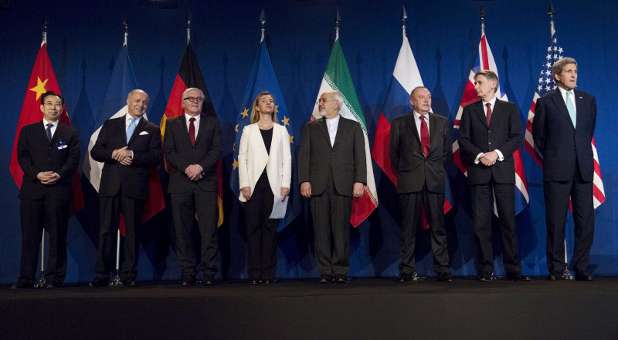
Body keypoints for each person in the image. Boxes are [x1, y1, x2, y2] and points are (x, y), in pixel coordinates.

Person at [458, 70, 529, 282]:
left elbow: (516, 138)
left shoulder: (509, 109)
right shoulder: (469, 111)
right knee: (481, 223)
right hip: (479, 173)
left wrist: (495, 154)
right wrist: (481, 155)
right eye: (475, 83)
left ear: (492, 85)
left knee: (508, 221)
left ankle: (513, 270)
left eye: (479, 83)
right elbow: (463, 139)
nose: (476, 86)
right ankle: (485, 270)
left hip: (502, 173)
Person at [533, 57, 597, 281]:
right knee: (556, 221)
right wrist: (556, 157)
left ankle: (582, 267)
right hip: (557, 170)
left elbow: (586, 134)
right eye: (568, 71)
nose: (573, 75)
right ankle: (557, 269)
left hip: (583, 170)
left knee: (585, 221)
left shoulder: (588, 100)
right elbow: (539, 138)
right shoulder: (546, 102)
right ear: (557, 76)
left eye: (575, 71)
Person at [90, 89, 161, 287]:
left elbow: (156, 157)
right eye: (137, 100)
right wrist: (114, 153)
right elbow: (96, 151)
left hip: (135, 187)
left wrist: (132, 155)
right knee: (106, 230)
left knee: (133, 232)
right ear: (128, 101)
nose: (141, 105)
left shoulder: (152, 129)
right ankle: (101, 274)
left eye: (145, 102)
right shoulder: (111, 124)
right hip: (110, 186)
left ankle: (129, 274)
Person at [13, 91, 79, 289]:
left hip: (58, 191)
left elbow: (73, 160)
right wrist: (37, 175)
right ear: (42, 107)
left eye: (57, 104)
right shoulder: (28, 131)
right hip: (32, 191)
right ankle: (26, 279)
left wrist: (58, 174)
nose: (53, 107)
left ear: (62, 108)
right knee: (29, 236)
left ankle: (54, 279)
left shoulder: (70, 133)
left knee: (58, 236)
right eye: (49, 104)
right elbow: (22, 158)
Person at [298, 91, 366, 284]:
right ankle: (325, 270)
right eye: (320, 100)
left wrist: (359, 180)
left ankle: (340, 269)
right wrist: (304, 180)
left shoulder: (353, 127)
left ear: (337, 104)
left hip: (343, 184)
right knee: (320, 230)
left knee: (341, 230)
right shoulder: (311, 128)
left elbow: (359, 157)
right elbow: (304, 156)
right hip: (317, 185)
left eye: (323, 101)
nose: (320, 103)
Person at [389, 86, 452, 283]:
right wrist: (410, 171)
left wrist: (432, 170)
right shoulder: (399, 123)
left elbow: (446, 153)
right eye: (421, 97)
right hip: (410, 182)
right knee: (408, 228)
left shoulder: (441, 122)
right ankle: (407, 271)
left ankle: (442, 270)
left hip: (434, 181)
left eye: (429, 97)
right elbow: (394, 155)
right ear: (412, 101)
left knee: (438, 228)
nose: (426, 100)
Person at [164, 87, 221, 286]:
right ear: (183, 102)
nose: (195, 101)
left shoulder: (212, 123)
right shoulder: (172, 124)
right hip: (180, 183)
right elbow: (169, 152)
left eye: (199, 99)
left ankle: (208, 273)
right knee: (182, 230)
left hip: (206, 183)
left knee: (208, 230)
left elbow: (216, 150)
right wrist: (187, 167)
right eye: (190, 98)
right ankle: (188, 272)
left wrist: (200, 166)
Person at [238, 91, 291, 285]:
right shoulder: (248, 130)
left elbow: (287, 159)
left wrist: (285, 184)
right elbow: (242, 157)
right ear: (257, 107)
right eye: (264, 101)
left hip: (274, 188)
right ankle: (254, 273)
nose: (269, 103)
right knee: (253, 229)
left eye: (271, 101)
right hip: (252, 187)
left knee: (270, 230)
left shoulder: (281, 130)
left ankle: (268, 273)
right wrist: (244, 183)